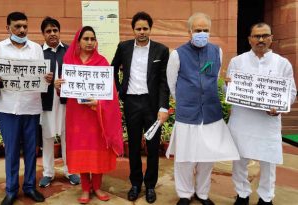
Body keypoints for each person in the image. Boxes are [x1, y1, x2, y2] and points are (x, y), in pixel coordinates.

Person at [166, 12, 240, 205]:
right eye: (198, 30)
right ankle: (184, 193)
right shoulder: (177, 54)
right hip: (188, 114)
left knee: (207, 157)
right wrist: (187, 100)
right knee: (185, 159)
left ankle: (203, 193)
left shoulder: (218, 52)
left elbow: (215, 79)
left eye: (205, 30)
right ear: (189, 31)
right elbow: (172, 84)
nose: (201, 33)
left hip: (211, 114)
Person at [0, 12, 52, 205]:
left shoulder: (36, 50)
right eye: (17, 27)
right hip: (7, 108)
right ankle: (11, 189)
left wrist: (46, 79)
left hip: (31, 107)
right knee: (12, 150)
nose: (22, 30)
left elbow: (41, 78)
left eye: (24, 26)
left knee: (31, 150)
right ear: (8, 28)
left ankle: (30, 187)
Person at [227, 22, 297, 205]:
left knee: (268, 162)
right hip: (242, 121)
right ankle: (242, 194)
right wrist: (230, 86)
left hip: (268, 122)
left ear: (271, 38)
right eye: (257, 36)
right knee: (239, 160)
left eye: (265, 35)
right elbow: (231, 89)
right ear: (249, 39)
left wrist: (280, 107)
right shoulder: (237, 62)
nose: (261, 39)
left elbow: (291, 92)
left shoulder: (283, 64)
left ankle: (266, 198)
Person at [55, 26, 123, 204]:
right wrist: (58, 86)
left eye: (92, 39)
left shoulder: (102, 62)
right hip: (76, 115)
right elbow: (64, 91)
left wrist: (99, 104)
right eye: (86, 39)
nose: (90, 42)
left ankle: (98, 187)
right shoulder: (70, 61)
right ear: (78, 41)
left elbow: (111, 93)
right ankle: (85, 188)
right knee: (81, 150)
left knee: (97, 150)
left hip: (96, 115)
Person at [111, 11, 169, 203]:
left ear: (150, 29)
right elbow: (112, 69)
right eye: (138, 28)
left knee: (153, 147)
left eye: (145, 28)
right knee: (134, 146)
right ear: (133, 30)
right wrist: (120, 90)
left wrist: (163, 106)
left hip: (152, 105)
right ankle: (135, 183)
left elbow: (163, 81)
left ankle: (150, 185)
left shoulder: (161, 50)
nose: (142, 31)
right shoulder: (124, 47)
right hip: (131, 103)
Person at [38, 16, 80, 187]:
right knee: (47, 137)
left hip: (66, 102)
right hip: (46, 102)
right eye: (48, 31)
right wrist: (47, 82)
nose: (52, 34)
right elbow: (33, 79)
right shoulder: (37, 52)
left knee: (67, 136)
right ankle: (48, 172)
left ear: (59, 32)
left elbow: (78, 75)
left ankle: (71, 170)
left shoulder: (70, 51)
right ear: (43, 34)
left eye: (55, 30)